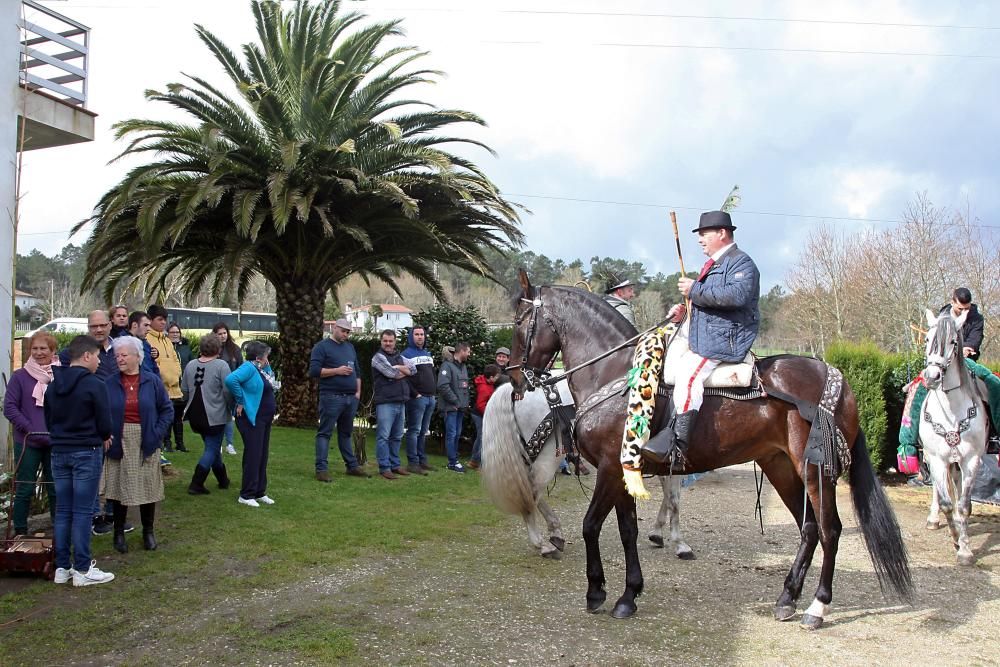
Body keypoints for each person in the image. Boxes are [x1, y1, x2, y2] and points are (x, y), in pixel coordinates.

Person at [642, 210, 760, 464]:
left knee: (687, 376)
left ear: (722, 233)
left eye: (704, 233)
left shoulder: (741, 263)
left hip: (724, 340)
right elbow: (710, 302)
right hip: (706, 335)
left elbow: (735, 297)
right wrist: (685, 313)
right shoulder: (716, 265)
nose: (700, 239)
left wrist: (695, 289)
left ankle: (678, 445)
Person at [45, 335, 115, 586]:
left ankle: (63, 567)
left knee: (63, 510)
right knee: (84, 511)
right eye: (96, 356)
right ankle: (83, 569)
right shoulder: (95, 384)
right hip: (86, 450)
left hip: (59, 451)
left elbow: (49, 420)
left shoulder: (53, 385)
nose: (98, 361)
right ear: (86, 356)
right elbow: (105, 422)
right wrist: (104, 435)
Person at [61, 310, 128, 537]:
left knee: (115, 469)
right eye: (93, 326)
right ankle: (93, 517)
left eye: (102, 325)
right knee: (93, 471)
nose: (98, 330)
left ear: (110, 325)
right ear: (88, 327)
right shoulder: (77, 352)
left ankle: (112, 514)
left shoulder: (120, 349)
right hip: (90, 421)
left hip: (118, 417)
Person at [104, 336, 172, 553]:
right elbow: (100, 412)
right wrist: (105, 435)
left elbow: (167, 409)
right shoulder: (110, 382)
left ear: (137, 356)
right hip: (119, 440)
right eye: (117, 356)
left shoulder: (152, 380)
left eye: (124, 355)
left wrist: (157, 432)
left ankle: (148, 532)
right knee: (119, 487)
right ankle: (118, 533)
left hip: (146, 440)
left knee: (148, 487)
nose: (119, 359)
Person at [4, 332, 59, 536]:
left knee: (55, 487)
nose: (38, 352)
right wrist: (29, 428)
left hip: (54, 441)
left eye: (43, 348)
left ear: (53, 351)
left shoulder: (60, 376)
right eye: (35, 348)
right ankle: (20, 530)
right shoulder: (20, 377)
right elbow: (10, 408)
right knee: (25, 488)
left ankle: (58, 529)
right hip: (27, 441)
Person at [309, 318, 367, 481]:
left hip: (350, 398)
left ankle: (352, 466)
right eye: (343, 331)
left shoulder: (349, 347)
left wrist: (357, 392)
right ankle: (321, 469)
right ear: (334, 328)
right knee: (325, 433)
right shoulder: (321, 347)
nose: (346, 335)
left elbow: (357, 371)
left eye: (348, 332)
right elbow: (314, 371)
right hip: (331, 397)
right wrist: (336, 371)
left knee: (346, 433)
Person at [225, 341, 278, 507]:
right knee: (253, 455)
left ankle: (259, 491)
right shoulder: (248, 367)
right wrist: (240, 400)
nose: (267, 358)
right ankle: (246, 494)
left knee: (262, 454)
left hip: (264, 419)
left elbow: (271, 384)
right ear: (258, 357)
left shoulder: (260, 369)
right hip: (251, 419)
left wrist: (268, 367)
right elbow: (230, 380)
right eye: (266, 356)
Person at [182, 334, 233, 495]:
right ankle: (196, 483)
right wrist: (231, 406)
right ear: (218, 349)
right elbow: (227, 390)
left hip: (195, 415)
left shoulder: (190, 365)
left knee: (213, 446)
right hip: (214, 415)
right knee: (212, 448)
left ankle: (223, 480)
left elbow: (184, 389)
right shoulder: (221, 365)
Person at [371, 330, 416, 479]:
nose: (388, 344)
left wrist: (397, 368)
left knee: (397, 436)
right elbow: (392, 374)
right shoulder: (377, 358)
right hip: (385, 402)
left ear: (395, 341)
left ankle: (395, 465)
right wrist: (401, 370)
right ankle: (384, 467)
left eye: (391, 341)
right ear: (381, 341)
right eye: (385, 341)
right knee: (383, 436)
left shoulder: (399, 357)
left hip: (400, 401)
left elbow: (414, 369)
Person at [146, 305, 185, 453]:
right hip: (159, 388)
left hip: (174, 389)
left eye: (165, 320)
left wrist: (176, 374)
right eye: (160, 319)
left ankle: (175, 444)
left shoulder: (167, 340)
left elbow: (175, 360)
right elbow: (153, 363)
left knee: (175, 419)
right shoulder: (147, 339)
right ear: (151, 320)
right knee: (161, 421)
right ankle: (162, 445)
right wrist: (163, 377)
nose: (163, 323)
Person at [402, 325, 437, 473]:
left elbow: (432, 374)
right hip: (417, 399)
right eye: (416, 334)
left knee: (423, 431)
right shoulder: (406, 355)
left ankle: (422, 460)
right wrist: (415, 394)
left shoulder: (428, 354)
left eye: (422, 334)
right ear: (411, 336)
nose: (420, 337)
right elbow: (404, 378)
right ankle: (413, 462)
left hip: (430, 398)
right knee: (414, 431)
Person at [438, 342, 471, 473]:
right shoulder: (447, 366)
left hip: (460, 408)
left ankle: (454, 460)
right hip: (451, 408)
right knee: (451, 434)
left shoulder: (463, 367)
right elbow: (443, 386)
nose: (469, 354)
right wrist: (455, 402)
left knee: (457, 434)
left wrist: (464, 403)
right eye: (467, 351)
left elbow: (464, 387)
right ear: (461, 351)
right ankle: (452, 462)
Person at [213, 322, 244, 456]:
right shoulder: (212, 349)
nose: (223, 336)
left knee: (229, 417)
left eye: (224, 333)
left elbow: (241, 368)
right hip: (216, 389)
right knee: (218, 417)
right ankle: (218, 443)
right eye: (219, 334)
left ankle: (229, 444)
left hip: (231, 389)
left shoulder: (235, 349)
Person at [468, 364, 501, 470]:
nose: (497, 379)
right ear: (491, 377)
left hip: (482, 414)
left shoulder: (488, 383)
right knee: (482, 437)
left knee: (482, 437)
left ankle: (475, 461)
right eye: (496, 377)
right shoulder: (484, 388)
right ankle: (477, 462)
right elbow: (480, 404)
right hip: (479, 414)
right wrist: (489, 415)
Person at [166, 322, 193, 453]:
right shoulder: (165, 347)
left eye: (177, 332)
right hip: (169, 387)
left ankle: (180, 443)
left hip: (182, 388)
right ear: (168, 334)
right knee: (169, 416)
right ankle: (167, 442)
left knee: (179, 417)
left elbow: (191, 364)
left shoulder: (186, 348)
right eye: (173, 332)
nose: (176, 334)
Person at [940, 288, 985, 361]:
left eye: (967, 308)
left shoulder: (977, 319)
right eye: (960, 309)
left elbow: (975, 339)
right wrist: (959, 349)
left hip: (967, 359)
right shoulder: (942, 318)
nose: (963, 312)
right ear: (952, 302)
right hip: (942, 358)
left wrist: (967, 348)